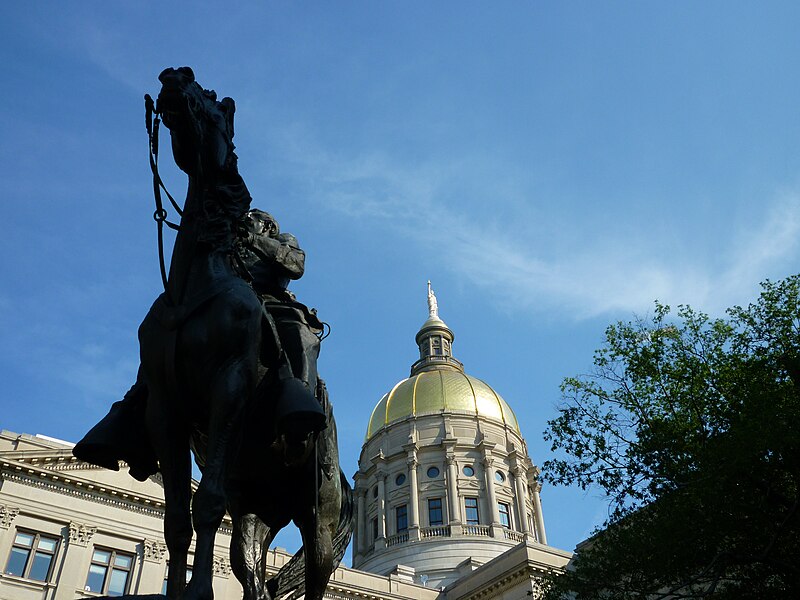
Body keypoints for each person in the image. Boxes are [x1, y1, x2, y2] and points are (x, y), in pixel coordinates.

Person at [74, 209, 326, 480]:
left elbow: (294, 265)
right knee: (163, 333)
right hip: (222, 302)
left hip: (271, 303)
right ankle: (132, 414)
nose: (244, 219)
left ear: (267, 226)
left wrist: (250, 239)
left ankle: (297, 405)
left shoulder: (282, 239)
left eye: (250, 218)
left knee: (302, 335)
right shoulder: (227, 238)